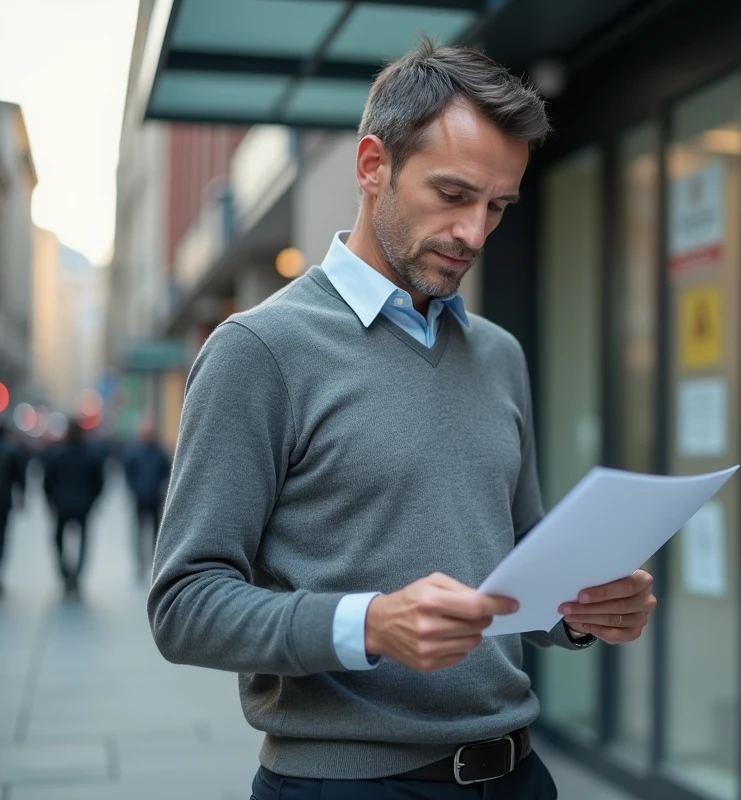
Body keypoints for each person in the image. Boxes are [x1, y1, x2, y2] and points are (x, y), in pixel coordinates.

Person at [149, 37, 657, 799]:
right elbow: (184, 605)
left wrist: (584, 609)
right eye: (452, 195)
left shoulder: (499, 354)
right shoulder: (259, 350)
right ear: (371, 166)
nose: (475, 233)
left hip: (518, 775)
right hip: (348, 785)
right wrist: (369, 625)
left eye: (497, 207)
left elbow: (518, 563)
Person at [43, 420, 105, 596]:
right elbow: (99, 482)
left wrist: (50, 501)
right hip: (83, 505)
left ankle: (65, 572)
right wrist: (93, 501)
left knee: (57, 538)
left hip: (61, 505)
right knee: (84, 540)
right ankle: (77, 575)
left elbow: (48, 481)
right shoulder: (91, 456)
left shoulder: (56, 455)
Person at [122, 419, 172, 577]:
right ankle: (140, 563)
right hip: (140, 497)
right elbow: (128, 473)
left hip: (155, 498)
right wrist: (133, 488)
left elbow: (166, 472)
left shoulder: (159, 452)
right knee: (139, 531)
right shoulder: (134, 452)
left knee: (155, 532)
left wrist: (160, 488)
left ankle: (154, 560)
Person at [0, 424, 28, 597]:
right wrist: (22, 496)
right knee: (1, 537)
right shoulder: (10, 451)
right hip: (3, 501)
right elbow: (19, 477)